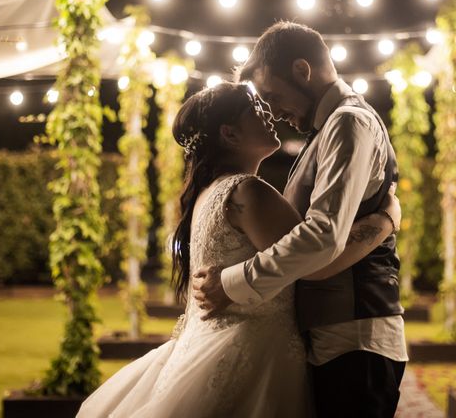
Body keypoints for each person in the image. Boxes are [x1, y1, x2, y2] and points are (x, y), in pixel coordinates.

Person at [76, 81, 401, 418]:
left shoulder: (208, 193)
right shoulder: (249, 192)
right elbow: (317, 259)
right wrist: (386, 220)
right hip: (256, 356)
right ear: (230, 134)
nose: (269, 113)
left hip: (211, 348)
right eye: (256, 109)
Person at [194, 21, 409, 418]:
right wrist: (385, 222)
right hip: (332, 338)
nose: (273, 112)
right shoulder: (326, 129)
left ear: (302, 71)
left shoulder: (349, 122)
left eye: (273, 96)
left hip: (355, 336)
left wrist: (231, 283)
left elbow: (321, 238)